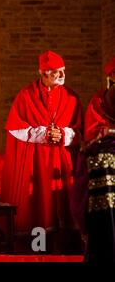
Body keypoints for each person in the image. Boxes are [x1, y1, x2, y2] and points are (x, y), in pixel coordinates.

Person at [0, 51, 82, 251]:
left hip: (62, 160)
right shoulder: (26, 95)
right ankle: (38, 249)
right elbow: (15, 128)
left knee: (64, 204)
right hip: (35, 160)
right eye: (56, 73)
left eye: (63, 71)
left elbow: (80, 130)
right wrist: (43, 134)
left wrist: (63, 134)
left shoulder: (71, 97)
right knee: (37, 204)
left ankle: (64, 248)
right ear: (44, 73)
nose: (62, 76)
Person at [71, 57, 115, 261]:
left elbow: (80, 196)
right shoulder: (97, 100)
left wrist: (83, 226)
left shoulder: (93, 153)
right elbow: (92, 129)